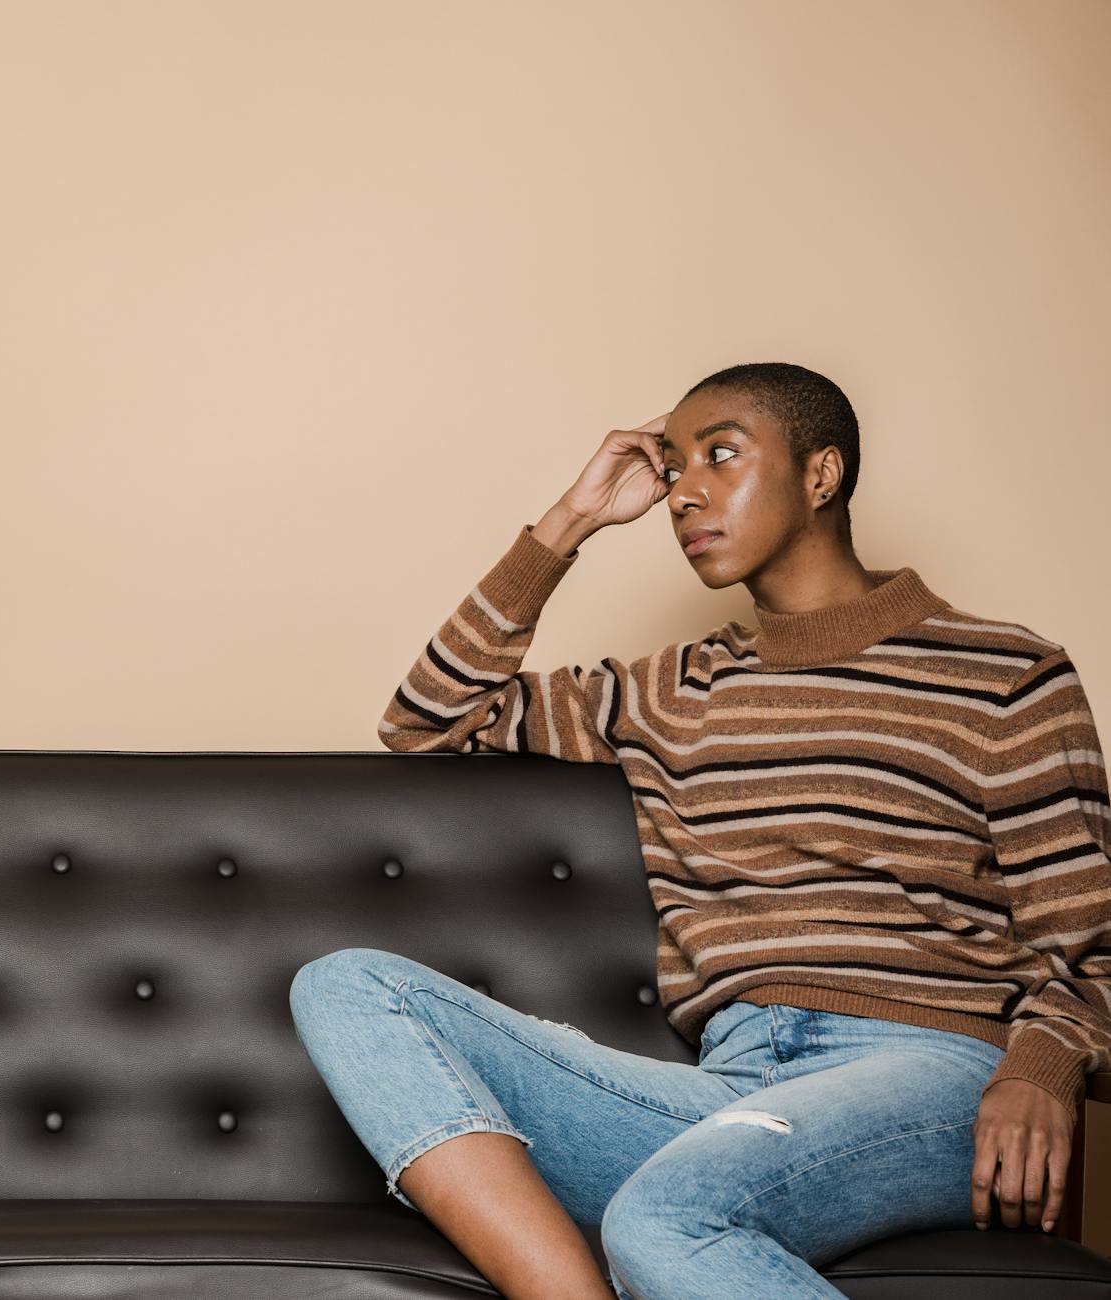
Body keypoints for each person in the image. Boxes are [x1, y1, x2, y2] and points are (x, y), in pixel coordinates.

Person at [289, 363, 1111, 1299]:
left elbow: (1088, 944)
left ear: (821, 474)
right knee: (348, 986)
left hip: (930, 1077)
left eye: (721, 455)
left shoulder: (1005, 676)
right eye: (675, 468)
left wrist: (1040, 1073)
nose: (684, 494)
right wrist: (570, 522)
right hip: (730, 1092)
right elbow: (427, 718)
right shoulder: (673, 688)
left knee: (664, 1217)